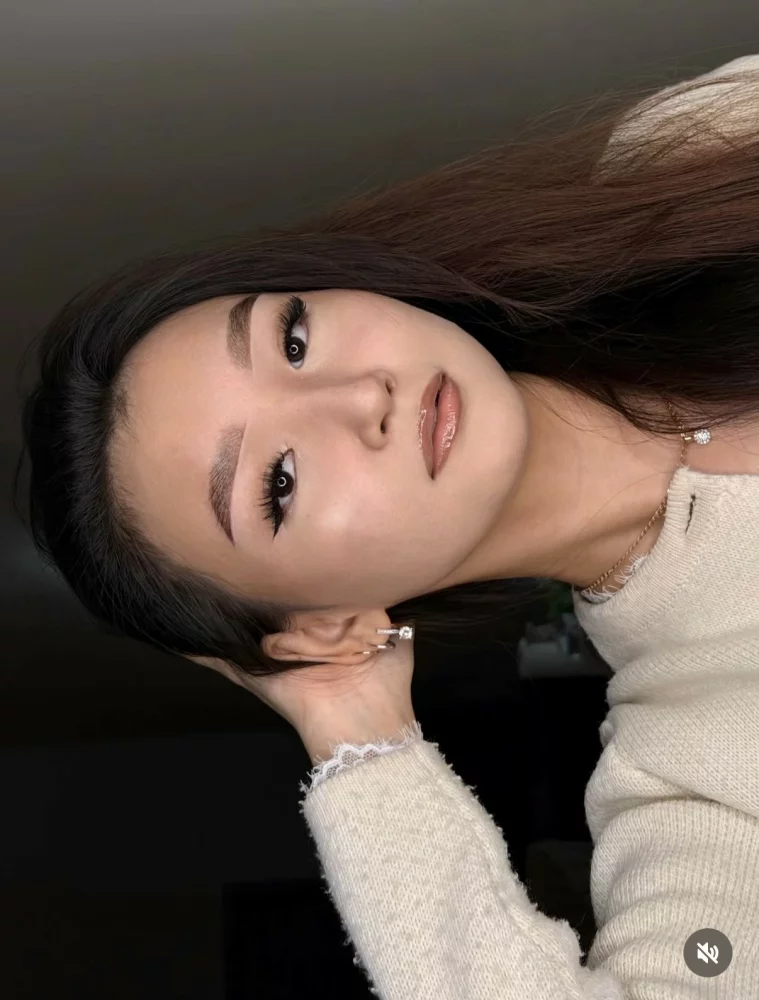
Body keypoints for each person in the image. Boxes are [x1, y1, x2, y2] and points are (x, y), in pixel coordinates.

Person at [18, 54, 759, 997]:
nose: (358, 397)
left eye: (292, 338)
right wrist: (353, 729)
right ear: (325, 625)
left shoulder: (680, 165)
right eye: (278, 483)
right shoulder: (698, 766)